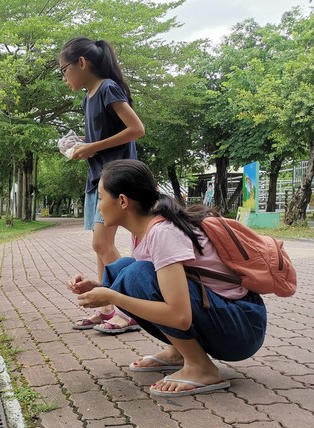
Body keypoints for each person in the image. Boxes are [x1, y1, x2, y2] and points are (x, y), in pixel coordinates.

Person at [67, 159, 267, 397]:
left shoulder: (162, 232)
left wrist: (113, 295)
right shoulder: (145, 231)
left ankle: (200, 368)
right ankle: (179, 352)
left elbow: (179, 317)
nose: (97, 206)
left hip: (243, 325)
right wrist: (100, 289)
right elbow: (162, 287)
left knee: (135, 275)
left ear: (122, 201)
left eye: (100, 197)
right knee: (123, 269)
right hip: (226, 316)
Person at [59, 37, 146, 334]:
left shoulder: (108, 87)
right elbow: (98, 139)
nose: (64, 77)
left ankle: (130, 308)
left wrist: (92, 146)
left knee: (102, 244)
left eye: (64, 70)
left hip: (115, 178)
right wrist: (80, 145)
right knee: (100, 248)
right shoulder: (88, 96)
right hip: (97, 178)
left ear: (82, 63)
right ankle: (107, 307)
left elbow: (136, 129)